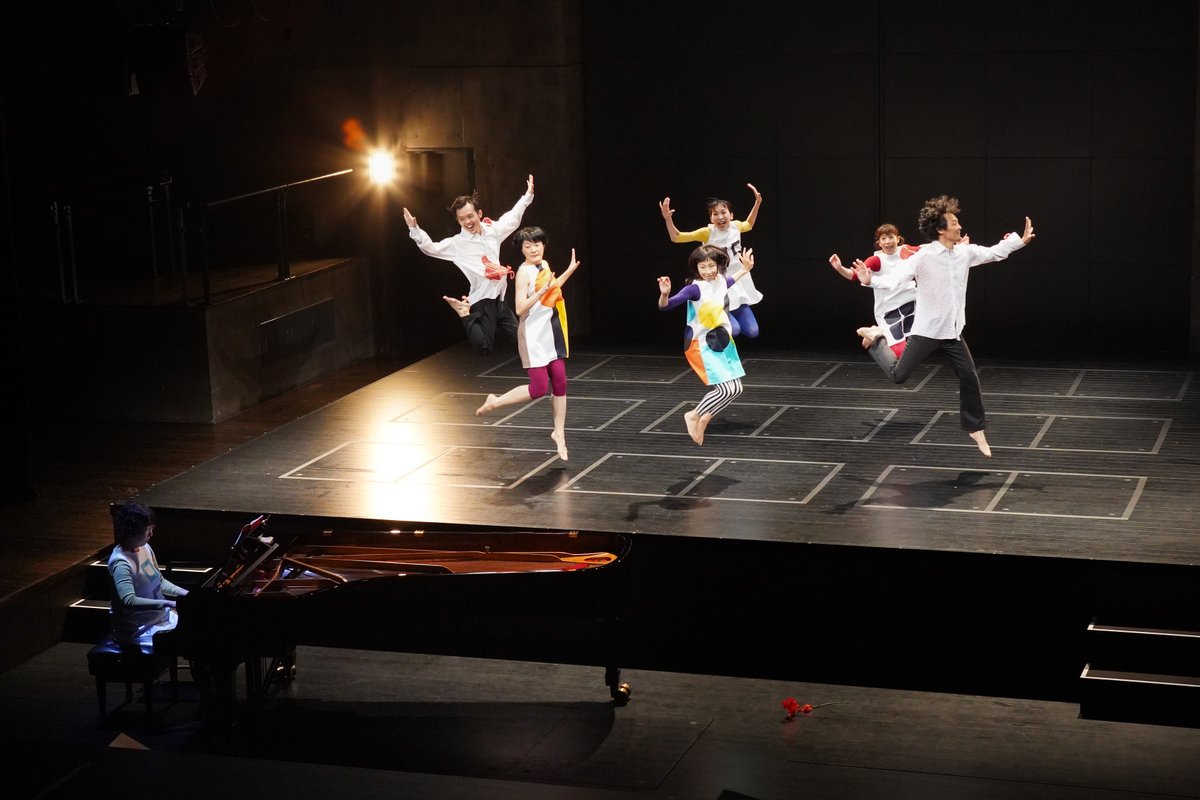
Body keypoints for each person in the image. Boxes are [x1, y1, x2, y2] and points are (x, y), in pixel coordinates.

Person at [854, 195, 1035, 458]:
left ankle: (975, 428)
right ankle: (877, 337)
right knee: (898, 376)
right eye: (954, 223)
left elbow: (994, 252)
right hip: (926, 331)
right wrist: (870, 281)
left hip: (952, 331)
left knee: (969, 376)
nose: (959, 226)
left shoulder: (964, 253)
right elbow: (895, 279)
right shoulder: (923, 257)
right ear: (941, 230)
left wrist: (1020, 240)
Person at [475, 226, 580, 460]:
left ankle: (559, 433)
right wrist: (541, 292)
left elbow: (552, 289)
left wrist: (569, 271)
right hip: (533, 336)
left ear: (544, 244)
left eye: (537, 244)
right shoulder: (523, 273)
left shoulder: (544, 264)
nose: (534, 249)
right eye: (528, 246)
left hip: (551, 331)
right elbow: (520, 308)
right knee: (539, 389)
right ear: (521, 249)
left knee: (561, 383)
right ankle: (495, 402)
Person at [402, 174, 535, 355]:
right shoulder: (458, 244)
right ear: (458, 221)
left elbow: (512, 219)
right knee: (484, 348)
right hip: (483, 299)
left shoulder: (492, 230)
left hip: (500, 298)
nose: (467, 222)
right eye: (462, 219)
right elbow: (431, 248)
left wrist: (527, 196)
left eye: (470, 216)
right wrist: (414, 229)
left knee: (522, 339)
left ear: (479, 214)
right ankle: (464, 313)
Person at [657, 244, 756, 445]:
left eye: (711, 266)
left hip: (723, 342)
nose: (708, 271)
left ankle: (702, 418)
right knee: (725, 390)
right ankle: (695, 415)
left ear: (718, 265)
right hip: (701, 345)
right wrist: (665, 293)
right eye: (702, 267)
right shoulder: (693, 289)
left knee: (736, 389)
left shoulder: (720, 281)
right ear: (696, 268)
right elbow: (665, 306)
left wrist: (745, 269)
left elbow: (730, 280)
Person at [659, 184, 764, 338]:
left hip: (737, 279)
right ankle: (709, 329)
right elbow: (677, 237)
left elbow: (749, 224)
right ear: (711, 218)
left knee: (752, 332)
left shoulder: (736, 226)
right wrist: (668, 219)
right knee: (732, 330)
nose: (720, 217)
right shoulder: (707, 232)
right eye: (715, 214)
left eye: (723, 212)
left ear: (731, 215)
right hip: (717, 282)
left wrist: (757, 203)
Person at [829, 224, 920, 357]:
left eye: (891, 237)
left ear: (898, 239)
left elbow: (927, 249)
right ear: (879, 243)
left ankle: (878, 332)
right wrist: (839, 268)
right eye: (883, 238)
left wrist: (951, 242)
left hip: (912, 303)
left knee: (930, 335)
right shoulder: (876, 260)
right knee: (899, 352)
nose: (888, 241)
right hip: (890, 309)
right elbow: (854, 275)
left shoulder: (906, 251)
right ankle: (877, 334)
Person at [106, 501, 188, 649]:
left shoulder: (145, 548)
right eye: (147, 530)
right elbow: (129, 601)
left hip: (160, 618)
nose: (151, 534)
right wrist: (170, 603)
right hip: (139, 630)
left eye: (152, 529)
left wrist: (185, 594)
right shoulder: (121, 562)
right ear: (132, 531)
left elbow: (158, 581)